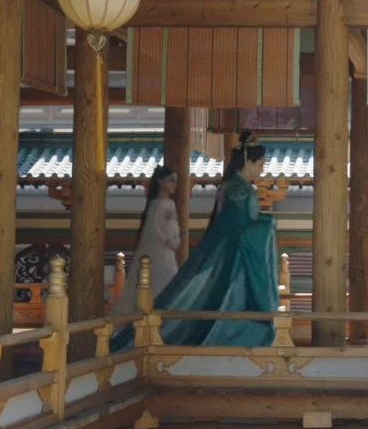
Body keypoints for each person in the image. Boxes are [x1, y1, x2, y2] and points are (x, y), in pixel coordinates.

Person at [110, 131, 281, 349]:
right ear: (248, 162)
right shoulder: (238, 189)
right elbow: (238, 227)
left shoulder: (236, 186)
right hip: (237, 257)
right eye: (261, 164)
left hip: (233, 253)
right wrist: (268, 224)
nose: (262, 169)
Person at [110, 166, 181, 317]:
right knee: (154, 282)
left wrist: (176, 239)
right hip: (158, 252)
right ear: (160, 182)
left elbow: (174, 226)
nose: (174, 185)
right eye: (170, 181)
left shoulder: (171, 204)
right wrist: (166, 240)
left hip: (169, 252)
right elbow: (153, 229)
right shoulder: (156, 204)